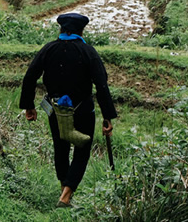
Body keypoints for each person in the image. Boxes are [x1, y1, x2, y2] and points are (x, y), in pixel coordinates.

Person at [19, 12, 117, 208]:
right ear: (82, 30)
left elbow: (30, 77)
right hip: (83, 111)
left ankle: (64, 187)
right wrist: (107, 116)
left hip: (55, 110)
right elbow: (101, 85)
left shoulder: (49, 49)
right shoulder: (88, 52)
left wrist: (29, 105)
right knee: (82, 151)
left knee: (60, 148)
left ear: (61, 29)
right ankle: (66, 194)